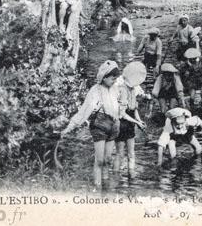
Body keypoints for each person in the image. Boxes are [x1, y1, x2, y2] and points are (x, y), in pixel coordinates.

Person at [60, 60, 121, 189]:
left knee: (108, 159)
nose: (114, 79)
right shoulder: (95, 91)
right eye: (112, 76)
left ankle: (106, 186)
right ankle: (97, 188)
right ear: (103, 77)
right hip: (99, 126)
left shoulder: (116, 88)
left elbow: (121, 104)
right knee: (99, 160)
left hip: (113, 125)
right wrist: (70, 127)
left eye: (116, 76)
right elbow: (83, 112)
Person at [114, 62, 148, 174]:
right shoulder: (122, 89)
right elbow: (122, 113)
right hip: (121, 123)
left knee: (131, 153)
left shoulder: (133, 89)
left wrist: (139, 121)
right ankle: (116, 176)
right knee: (120, 153)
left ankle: (131, 176)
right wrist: (136, 122)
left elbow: (134, 109)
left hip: (130, 123)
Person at [179, 48, 202, 113]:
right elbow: (184, 75)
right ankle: (192, 109)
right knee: (192, 96)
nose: (193, 60)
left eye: (194, 58)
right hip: (193, 82)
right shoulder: (185, 65)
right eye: (191, 58)